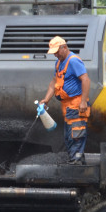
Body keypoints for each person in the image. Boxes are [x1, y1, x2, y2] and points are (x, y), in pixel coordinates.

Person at [39, 36, 92, 164]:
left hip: (77, 104)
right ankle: (76, 161)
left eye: (57, 51)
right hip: (67, 106)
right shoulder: (59, 63)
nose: (55, 54)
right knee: (69, 137)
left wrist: (83, 101)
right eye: (54, 52)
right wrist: (46, 99)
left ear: (64, 47)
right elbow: (54, 83)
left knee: (76, 135)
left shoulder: (73, 61)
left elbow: (85, 80)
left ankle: (76, 163)